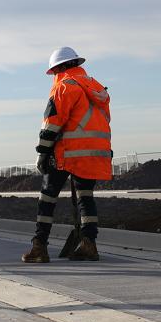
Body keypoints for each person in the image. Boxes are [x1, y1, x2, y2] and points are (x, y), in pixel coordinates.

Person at [22, 47, 112, 263]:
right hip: (95, 153)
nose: (54, 75)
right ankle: (89, 244)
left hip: (67, 152)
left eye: (54, 72)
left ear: (59, 68)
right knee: (85, 197)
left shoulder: (64, 86)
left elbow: (52, 123)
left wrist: (43, 152)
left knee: (47, 197)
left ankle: (39, 247)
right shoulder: (97, 88)